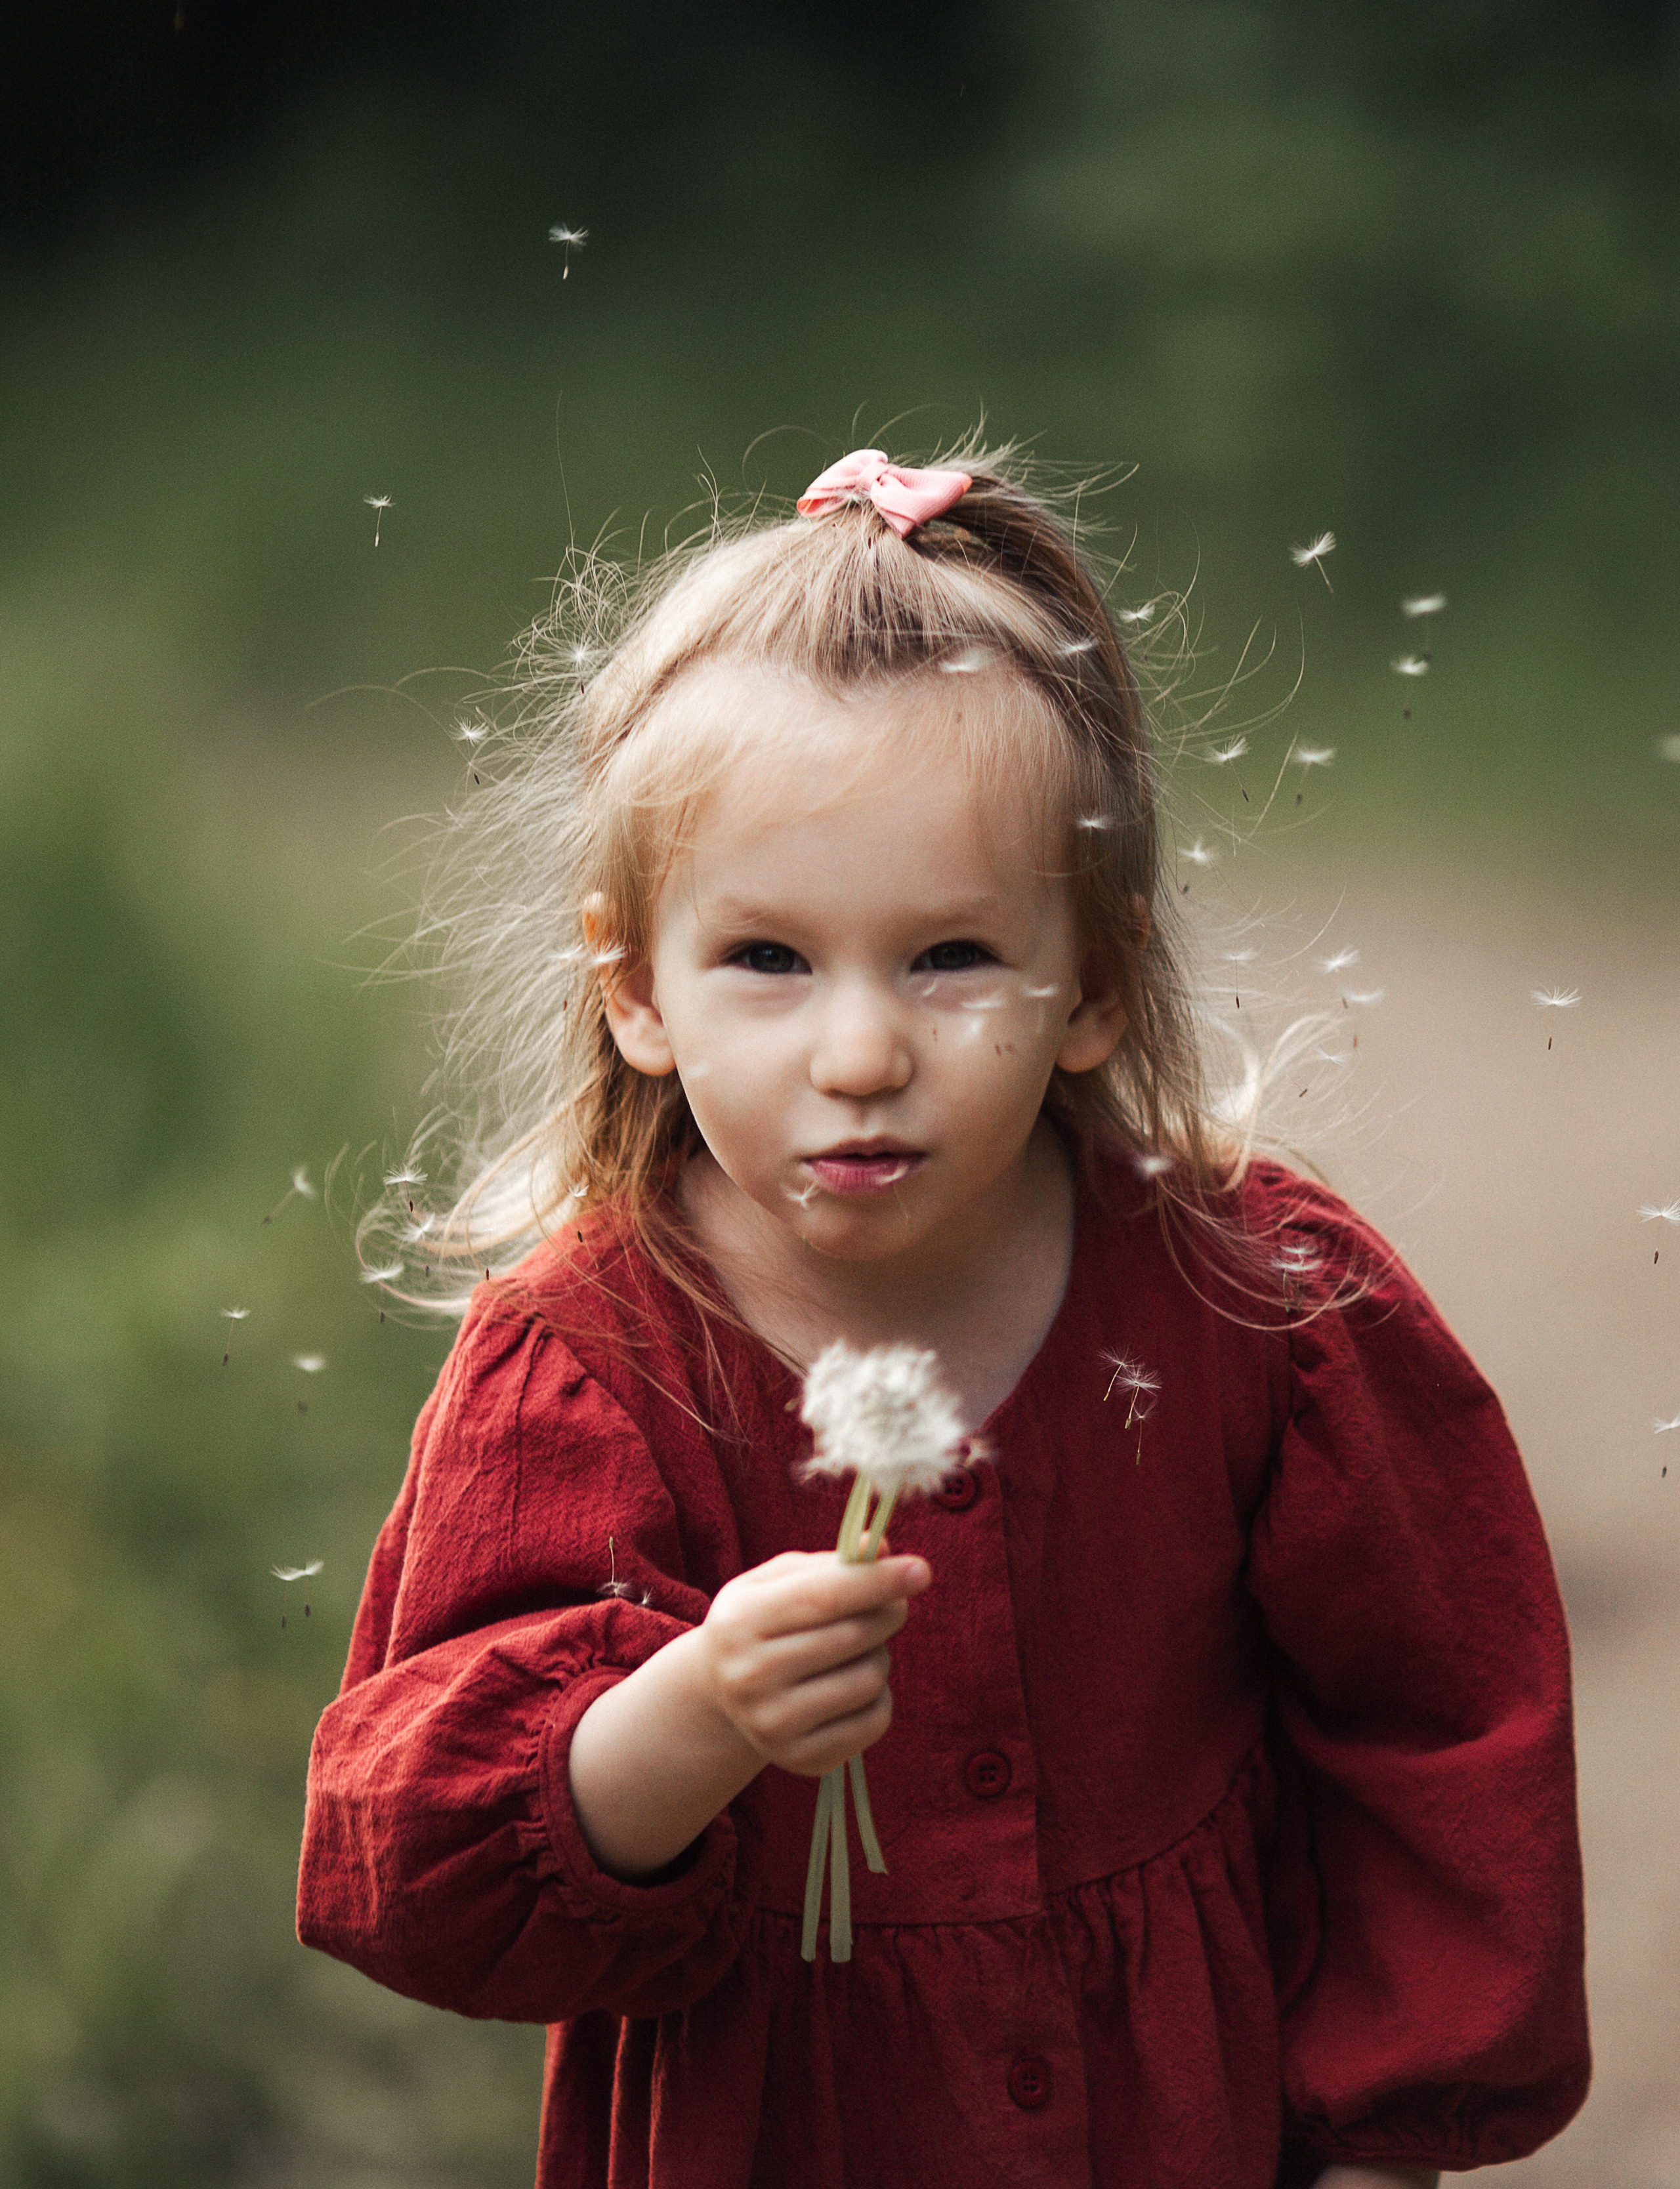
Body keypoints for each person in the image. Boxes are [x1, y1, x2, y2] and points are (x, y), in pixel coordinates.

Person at [298, 446, 1589, 2188]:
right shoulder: (591, 1365)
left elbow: (1436, 1733)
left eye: (951, 957)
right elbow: (411, 1865)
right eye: (766, 958)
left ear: (1094, 986)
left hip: (1185, 2124)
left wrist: (1384, 2133)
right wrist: (691, 1714)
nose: (857, 1054)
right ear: (635, 993)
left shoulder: (1253, 1306)